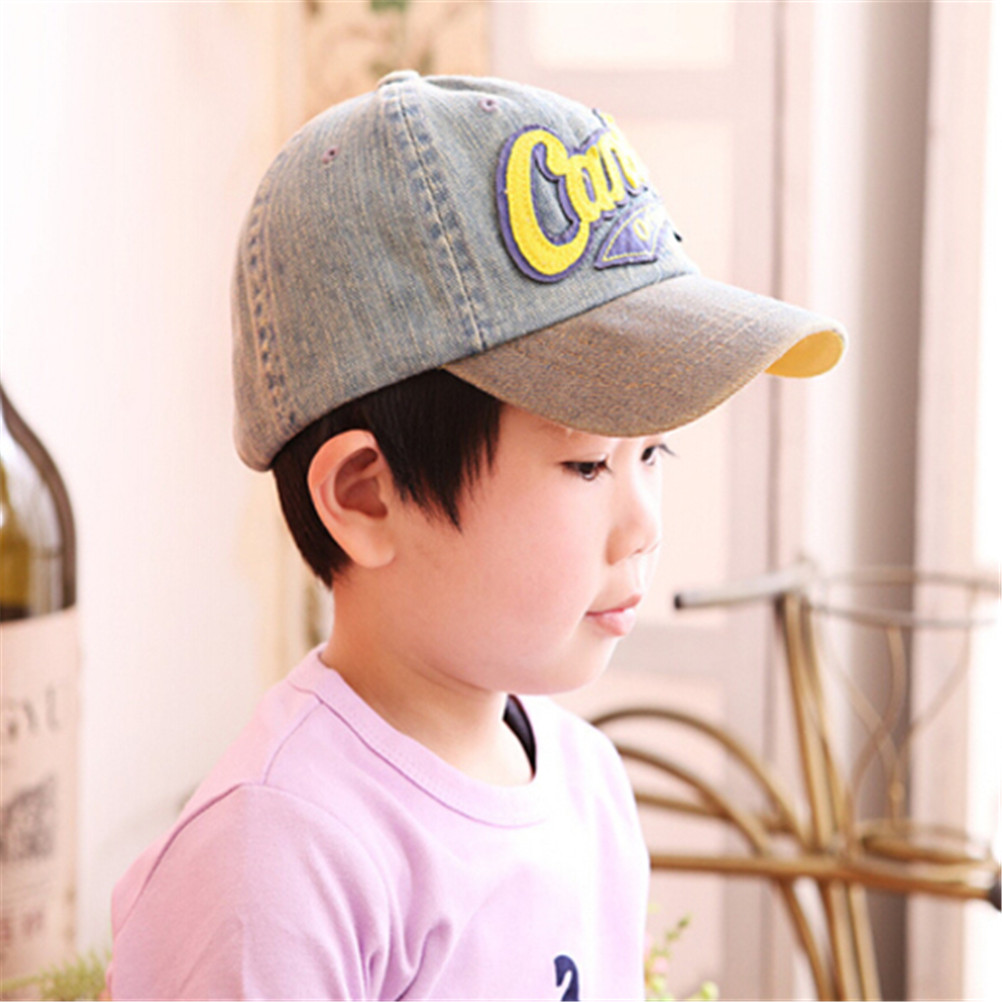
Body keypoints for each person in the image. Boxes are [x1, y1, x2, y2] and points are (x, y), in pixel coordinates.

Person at [107, 72, 845, 1001]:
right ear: (368, 497)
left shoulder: (586, 783)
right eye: (588, 465)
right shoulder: (278, 859)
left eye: (653, 454)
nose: (645, 525)